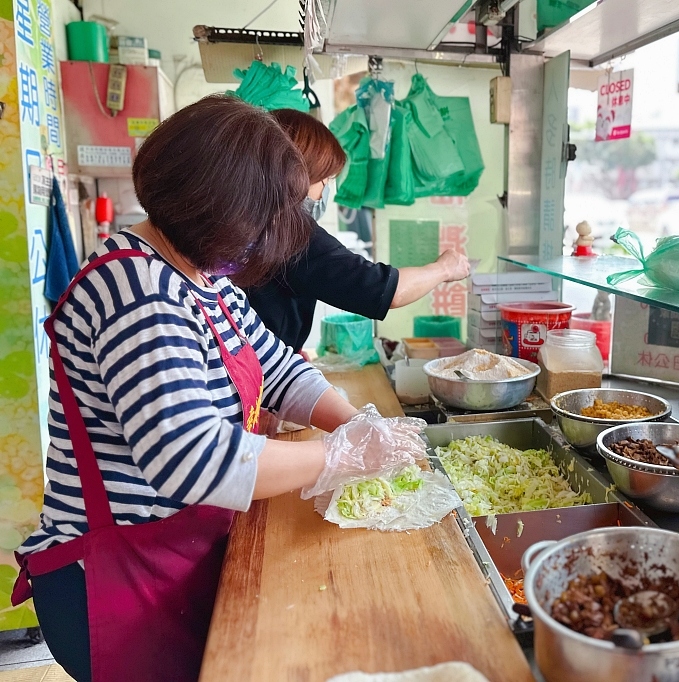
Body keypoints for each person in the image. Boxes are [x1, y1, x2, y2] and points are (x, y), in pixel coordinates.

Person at [13, 96, 415, 682]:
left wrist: (354, 422)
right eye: (268, 220)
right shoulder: (138, 291)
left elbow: (275, 366)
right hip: (113, 579)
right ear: (217, 207)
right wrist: (340, 455)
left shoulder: (198, 275)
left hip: (172, 556)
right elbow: (193, 462)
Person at [245, 109, 471, 351]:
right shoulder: (290, 232)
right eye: (324, 180)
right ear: (295, 176)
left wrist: (288, 365)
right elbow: (384, 290)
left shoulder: (248, 220)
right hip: (258, 375)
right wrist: (444, 268)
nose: (324, 191)